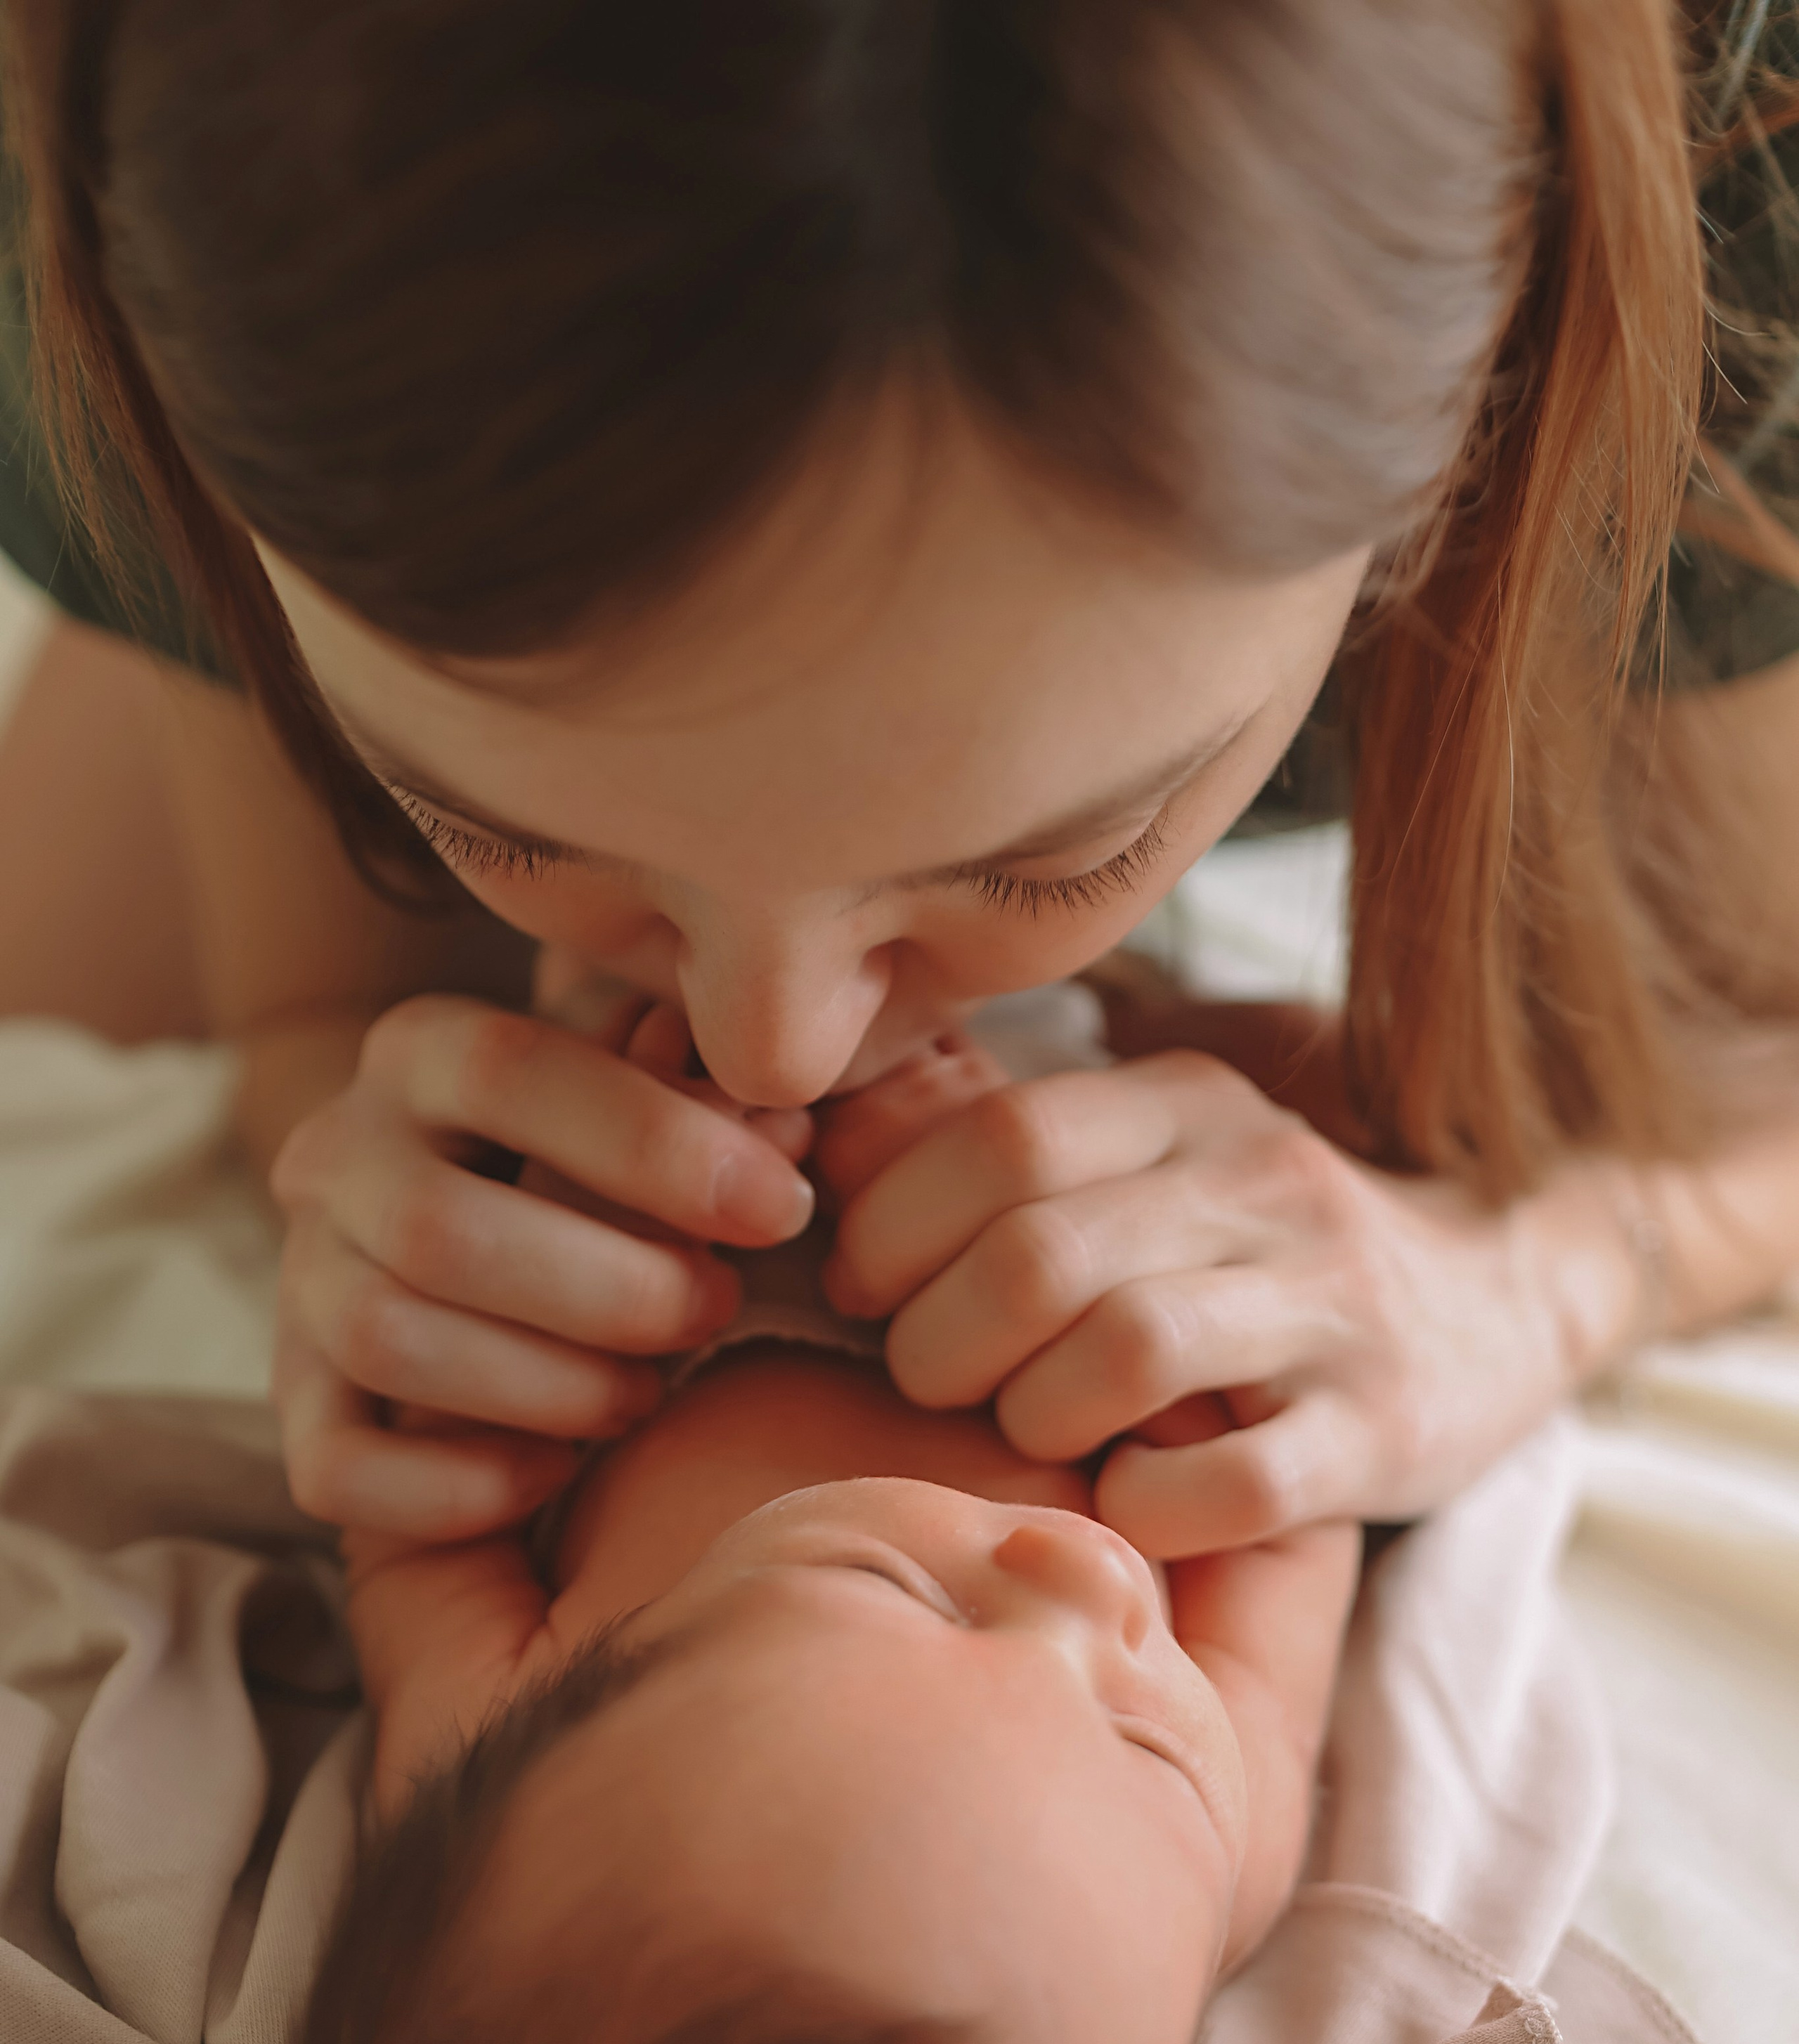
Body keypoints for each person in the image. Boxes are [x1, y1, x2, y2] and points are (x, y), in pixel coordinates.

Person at [2, 0, 1799, 1558]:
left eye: (1049, 857)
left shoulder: (1739, 211)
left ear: (1486, 381)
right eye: (487, 821)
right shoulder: (191, 199)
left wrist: (1544, 1278)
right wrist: (368, 1163)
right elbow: (320, 1009)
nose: (771, 1054)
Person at [268, 1030, 1358, 2044]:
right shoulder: (1226, 1861)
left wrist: (587, 1243)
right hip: (1062, 1291)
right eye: (1145, 1742)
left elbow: (413, 1522)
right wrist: (1173, 1388)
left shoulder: (483, 1741)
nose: (1088, 1581)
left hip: (676, 1293)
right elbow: (1286, 1515)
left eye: (898, 1590)